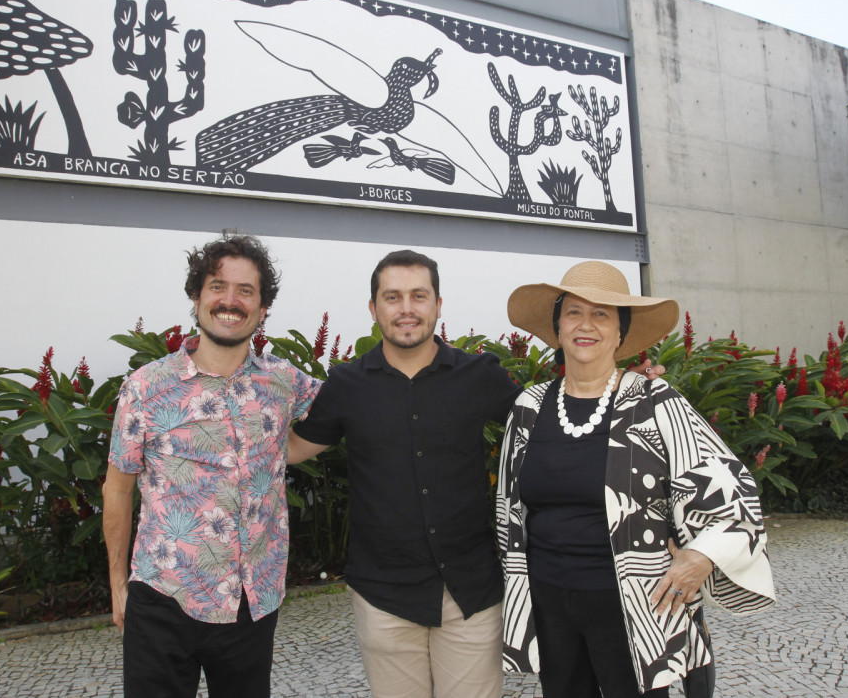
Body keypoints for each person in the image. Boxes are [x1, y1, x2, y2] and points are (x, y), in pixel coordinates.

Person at [496, 260, 775, 698]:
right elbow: (508, 507)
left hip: (636, 604)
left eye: (602, 314)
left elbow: (733, 489)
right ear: (557, 327)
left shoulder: (654, 400)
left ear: (621, 333)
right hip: (548, 600)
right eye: (573, 312)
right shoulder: (530, 406)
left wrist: (703, 556)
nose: (585, 325)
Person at [288, 249, 520, 698]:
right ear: (374, 308)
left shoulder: (478, 375)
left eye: (419, 295)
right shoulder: (347, 384)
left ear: (437, 304)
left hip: (469, 591)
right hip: (384, 596)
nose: (407, 308)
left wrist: (631, 393)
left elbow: (550, 425)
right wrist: (217, 419)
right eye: (393, 297)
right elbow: (296, 448)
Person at [102, 234, 321, 698]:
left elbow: (350, 410)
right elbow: (118, 488)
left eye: (246, 291)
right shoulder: (146, 388)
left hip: (250, 602)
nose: (230, 300)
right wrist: (119, 586)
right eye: (218, 286)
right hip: (163, 596)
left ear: (263, 309)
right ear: (196, 298)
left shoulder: (283, 382)